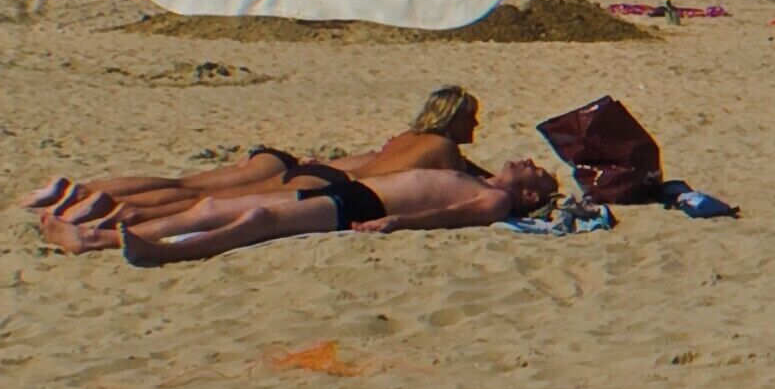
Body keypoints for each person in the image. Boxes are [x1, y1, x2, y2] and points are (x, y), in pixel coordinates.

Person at [27, 88, 488, 252]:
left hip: (315, 170)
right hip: (330, 186)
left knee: (186, 189)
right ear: (452, 118)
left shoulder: (406, 138)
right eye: (471, 116)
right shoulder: (446, 151)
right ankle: (113, 218)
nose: (476, 123)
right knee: (202, 207)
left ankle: (80, 196)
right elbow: (473, 186)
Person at [117, 157, 557, 265]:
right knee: (214, 205)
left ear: (530, 198)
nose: (527, 162)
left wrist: (399, 221)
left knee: (258, 222)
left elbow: (453, 215)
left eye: (535, 172)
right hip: (353, 191)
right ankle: (100, 238)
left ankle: (165, 253)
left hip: (366, 205)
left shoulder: (496, 200)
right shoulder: (479, 176)